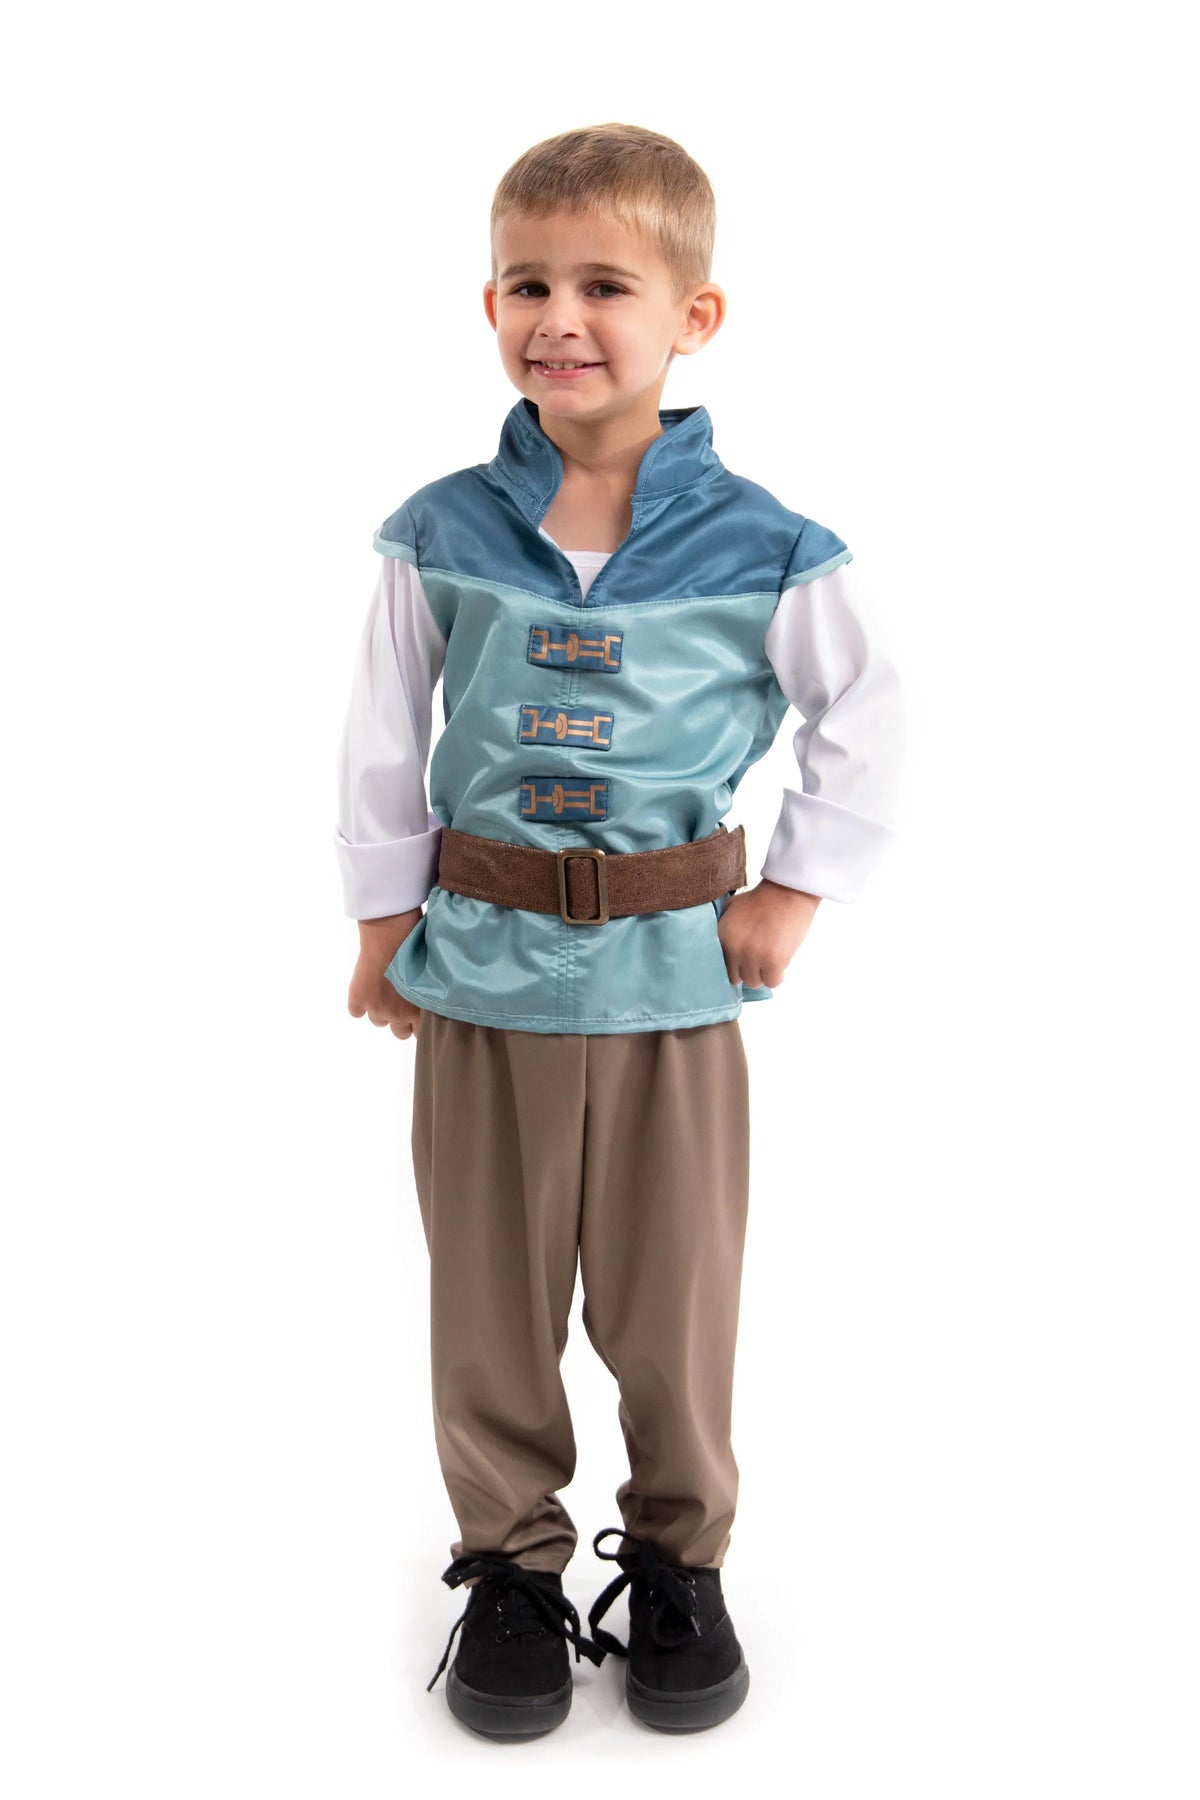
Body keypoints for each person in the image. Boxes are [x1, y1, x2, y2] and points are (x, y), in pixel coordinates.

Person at [333, 122, 905, 1739]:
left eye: (605, 286)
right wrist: (382, 919)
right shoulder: (440, 531)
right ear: (489, 304)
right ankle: (509, 1564)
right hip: (484, 975)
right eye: (529, 285)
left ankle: (677, 1561)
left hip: (673, 980)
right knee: (489, 1298)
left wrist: (795, 887)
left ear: (693, 316)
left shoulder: (767, 545)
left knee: (674, 1299)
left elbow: (869, 716)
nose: (561, 319)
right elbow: (383, 729)